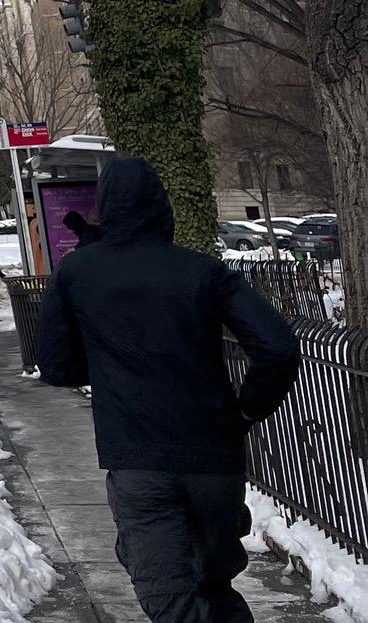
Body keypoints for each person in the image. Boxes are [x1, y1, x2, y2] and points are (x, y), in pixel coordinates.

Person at [36, 157, 301, 623]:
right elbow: (277, 348)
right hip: (214, 456)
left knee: (169, 595)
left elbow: (57, 367)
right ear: (163, 208)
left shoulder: (77, 273)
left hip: (138, 457)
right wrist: (245, 411)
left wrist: (105, 359)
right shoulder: (202, 271)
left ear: (103, 208)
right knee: (211, 584)